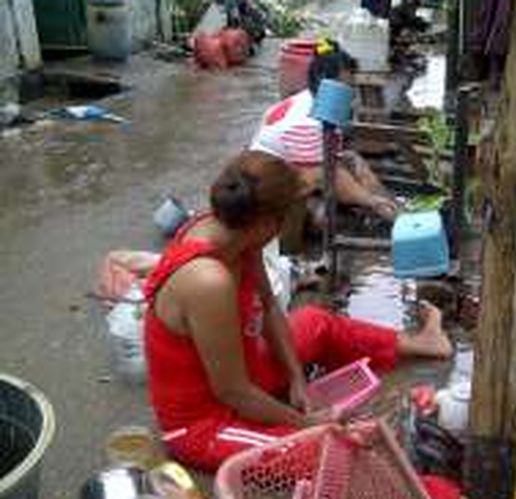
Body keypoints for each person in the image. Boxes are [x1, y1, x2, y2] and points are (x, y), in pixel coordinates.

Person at [144, 151, 453, 471]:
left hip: (243, 373)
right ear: (266, 223)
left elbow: (268, 305)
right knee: (333, 454)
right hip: (204, 423)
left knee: (314, 321)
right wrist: (305, 421)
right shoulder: (208, 281)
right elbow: (233, 393)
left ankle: (426, 342)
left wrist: (296, 381)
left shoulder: (237, 234)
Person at [250, 38, 399, 221]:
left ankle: (391, 206)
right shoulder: (306, 123)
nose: (351, 93)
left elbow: (329, 160)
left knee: (353, 160)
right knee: (323, 215)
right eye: (345, 84)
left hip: (295, 167)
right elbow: (323, 174)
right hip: (268, 183)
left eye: (351, 85)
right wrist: (369, 201)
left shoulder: (312, 99)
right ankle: (384, 209)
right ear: (323, 79)